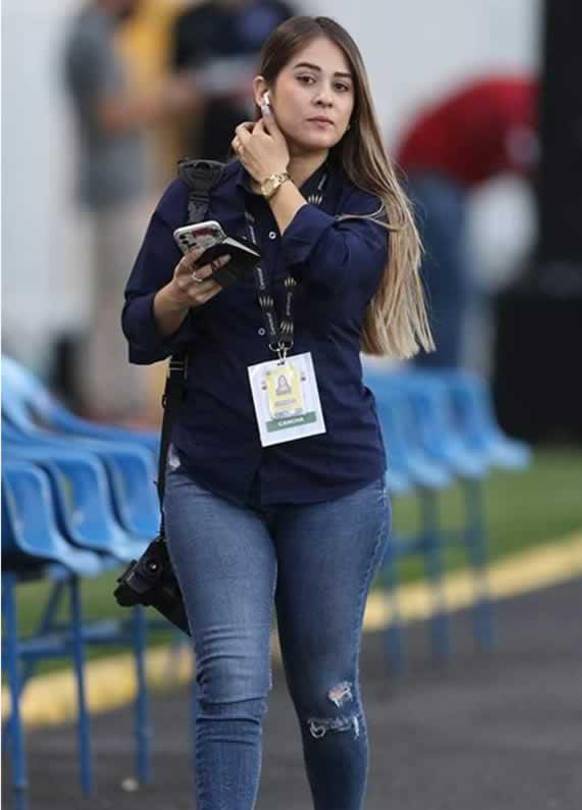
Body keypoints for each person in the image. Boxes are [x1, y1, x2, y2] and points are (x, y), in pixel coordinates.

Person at [121, 16, 432, 809]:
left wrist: (275, 185)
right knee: (230, 679)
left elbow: (337, 279)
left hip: (333, 481)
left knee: (326, 693)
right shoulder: (195, 192)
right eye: (306, 79)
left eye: (341, 85)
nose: (325, 97)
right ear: (263, 90)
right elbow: (136, 331)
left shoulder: (364, 207)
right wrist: (173, 298)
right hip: (216, 474)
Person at [63, 0, 199, 421]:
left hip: (111, 187)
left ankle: (109, 398)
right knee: (121, 298)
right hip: (117, 188)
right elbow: (110, 116)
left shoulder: (89, 32)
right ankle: (116, 404)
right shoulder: (94, 35)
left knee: (107, 297)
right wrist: (167, 99)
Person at [395, 75, 538, 368]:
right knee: (449, 282)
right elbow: (523, 158)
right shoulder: (520, 103)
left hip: (439, 179)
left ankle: (437, 368)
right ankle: (441, 373)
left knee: (442, 282)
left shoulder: (516, 96)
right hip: (428, 175)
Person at [171, 0, 297, 161]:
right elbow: (177, 88)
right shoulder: (191, 21)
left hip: (271, 136)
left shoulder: (278, 13)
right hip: (211, 141)